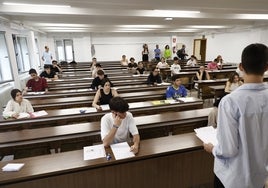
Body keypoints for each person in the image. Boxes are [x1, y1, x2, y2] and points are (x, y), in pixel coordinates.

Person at [203, 43, 268, 188]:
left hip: (233, 177)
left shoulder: (231, 101)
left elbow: (228, 149)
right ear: (266, 67)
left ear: (241, 67)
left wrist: (212, 148)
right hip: (260, 174)